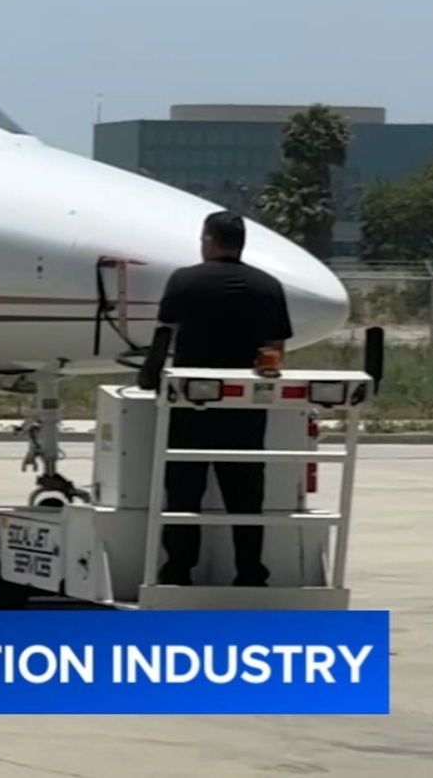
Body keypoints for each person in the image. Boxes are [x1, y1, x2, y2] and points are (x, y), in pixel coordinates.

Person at [135, 210, 293, 587]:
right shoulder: (267, 286)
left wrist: (149, 377)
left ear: (208, 240)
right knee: (246, 495)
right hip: (245, 408)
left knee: (184, 492)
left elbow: (164, 335)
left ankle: (178, 570)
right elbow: (276, 349)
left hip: (191, 404)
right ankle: (251, 571)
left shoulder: (185, 281)